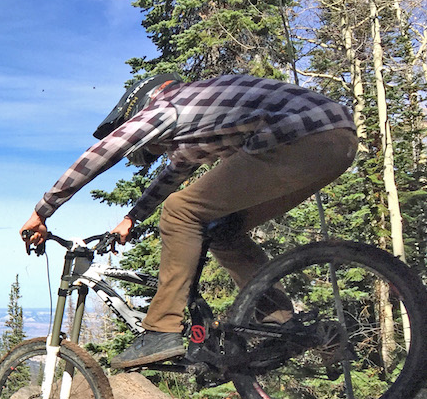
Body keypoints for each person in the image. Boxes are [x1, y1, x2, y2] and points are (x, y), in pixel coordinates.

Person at [21, 73, 357, 369]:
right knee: (225, 231)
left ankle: (161, 330)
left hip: (299, 137)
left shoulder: (165, 106)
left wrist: (43, 210)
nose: (154, 151)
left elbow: (105, 151)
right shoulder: (197, 115)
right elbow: (170, 176)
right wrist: (131, 217)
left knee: (179, 210)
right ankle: (283, 325)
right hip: (336, 142)